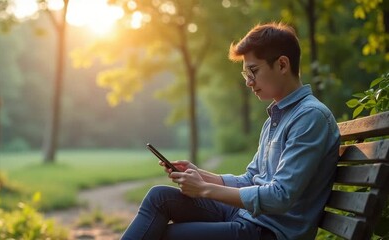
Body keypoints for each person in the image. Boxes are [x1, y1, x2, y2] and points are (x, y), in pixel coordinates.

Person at [120, 22, 340, 240]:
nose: (249, 82)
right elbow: (251, 178)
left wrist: (204, 189)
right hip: (248, 217)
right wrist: (202, 175)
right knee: (159, 197)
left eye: (253, 71)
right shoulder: (277, 118)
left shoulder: (310, 117)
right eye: (246, 74)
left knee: (165, 236)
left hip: (270, 231)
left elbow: (280, 197)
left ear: (282, 65)